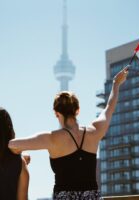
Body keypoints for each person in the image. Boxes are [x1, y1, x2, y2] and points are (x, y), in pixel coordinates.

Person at [9, 67, 129, 199]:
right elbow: (109, 108)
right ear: (77, 110)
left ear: (56, 113)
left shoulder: (51, 138)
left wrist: (22, 157)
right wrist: (116, 84)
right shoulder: (94, 132)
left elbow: (12, 145)